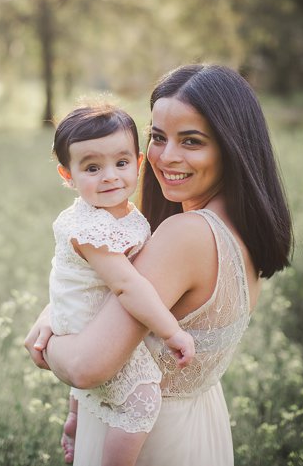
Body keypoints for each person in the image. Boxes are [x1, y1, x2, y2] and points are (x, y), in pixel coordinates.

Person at [24, 64, 292, 466]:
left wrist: (46, 339)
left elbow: (86, 366)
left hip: (154, 441)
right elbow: (108, 286)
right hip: (200, 428)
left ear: (231, 146)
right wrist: (57, 309)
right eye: (158, 137)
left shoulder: (187, 236)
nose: (166, 156)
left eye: (192, 141)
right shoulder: (241, 228)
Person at [48, 104, 195, 466]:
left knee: (102, 382)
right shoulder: (90, 229)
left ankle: (74, 421)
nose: (110, 176)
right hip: (83, 322)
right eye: (92, 168)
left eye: (121, 163)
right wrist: (172, 332)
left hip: (88, 310)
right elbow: (127, 285)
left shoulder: (126, 212)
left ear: (139, 163)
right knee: (143, 397)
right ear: (68, 175)